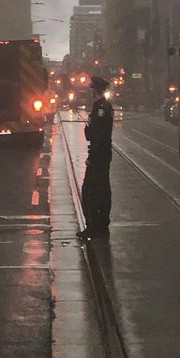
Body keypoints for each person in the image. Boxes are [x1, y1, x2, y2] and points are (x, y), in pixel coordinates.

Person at [80, 76, 114, 239]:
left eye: (92, 89)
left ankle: (94, 225)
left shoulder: (100, 107)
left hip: (98, 154)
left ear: (96, 90)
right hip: (102, 153)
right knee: (101, 189)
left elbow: (95, 134)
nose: (90, 92)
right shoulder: (103, 106)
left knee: (91, 190)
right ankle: (100, 225)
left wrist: (92, 157)